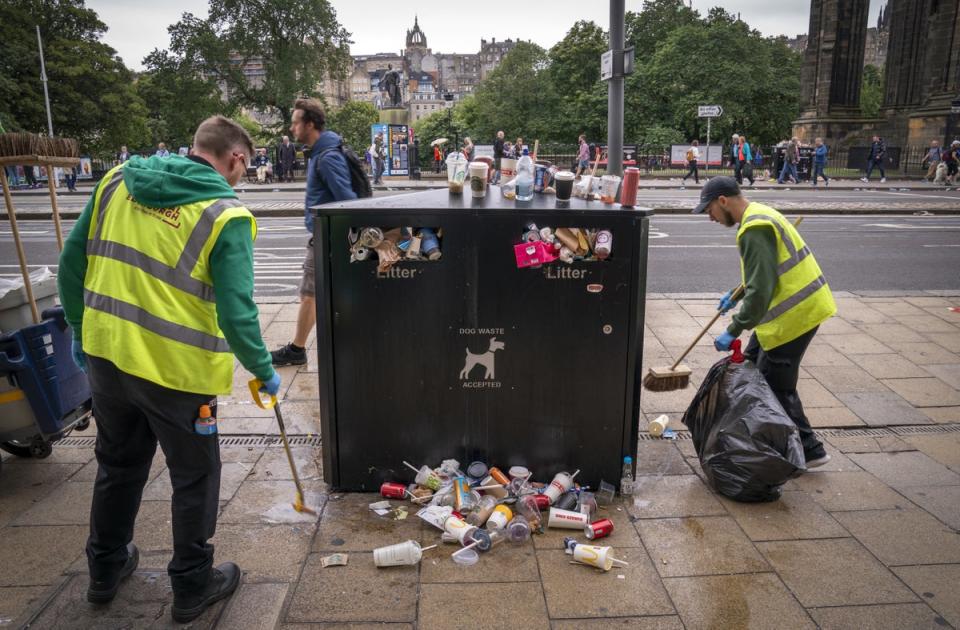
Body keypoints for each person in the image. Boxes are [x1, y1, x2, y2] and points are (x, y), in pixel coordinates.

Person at [57, 115, 280, 622]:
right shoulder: (225, 215)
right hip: (176, 376)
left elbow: (73, 263)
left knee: (118, 465)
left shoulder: (117, 180)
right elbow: (237, 312)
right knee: (195, 476)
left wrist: (80, 332)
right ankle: (191, 586)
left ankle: (104, 570)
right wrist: (262, 369)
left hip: (107, 357)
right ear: (236, 158)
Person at [693, 176, 836, 469]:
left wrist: (734, 327)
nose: (710, 218)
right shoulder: (760, 214)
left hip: (795, 315)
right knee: (752, 368)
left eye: (709, 210)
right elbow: (763, 273)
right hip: (791, 312)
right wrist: (736, 293)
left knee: (774, 385)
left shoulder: (754, 228)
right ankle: (764, 438)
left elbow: (762, 290)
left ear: (723, 201)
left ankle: (811, 450)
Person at [271, 98, 358, 366]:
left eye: (296, 122)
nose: (292, 127)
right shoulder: (321, 153)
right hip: (324, 235)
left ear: (310, 124)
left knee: (309, 293)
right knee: (319, 292)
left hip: (327, 237)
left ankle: (297, 350)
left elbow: (348, 200)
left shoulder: (327, 157)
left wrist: (336, 237)